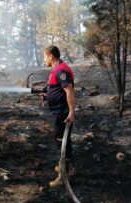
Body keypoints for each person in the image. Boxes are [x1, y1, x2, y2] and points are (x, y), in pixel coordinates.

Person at [40, 45, 76, 189]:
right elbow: (57, 90)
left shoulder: (61, 70)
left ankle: (63, 176)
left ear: (50, 56)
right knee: (64, 141)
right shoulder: (56, 70)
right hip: (58, 111)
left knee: (61, 142)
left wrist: (72, 112)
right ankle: (69, 167)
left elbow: (69, 92)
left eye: (44, 56)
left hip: (62, 112)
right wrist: (47, 95)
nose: (44, 60)